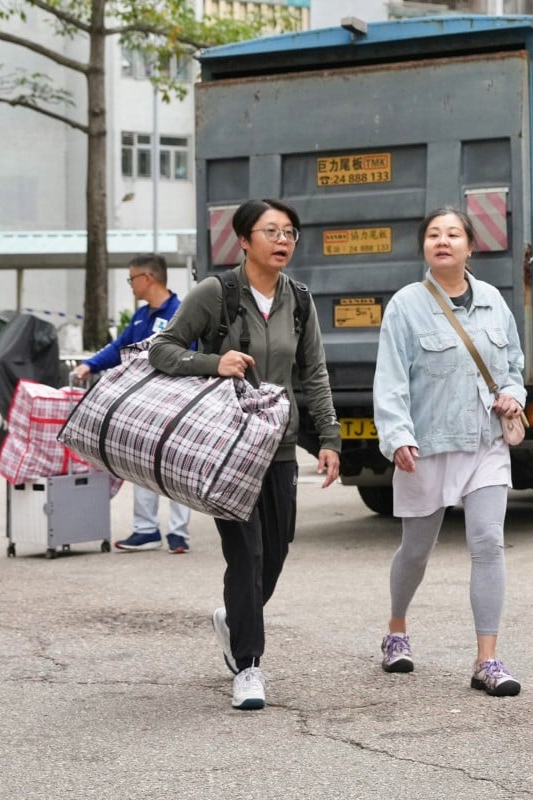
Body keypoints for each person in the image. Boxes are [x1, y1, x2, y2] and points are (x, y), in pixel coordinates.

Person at [147, 198, 341, 710]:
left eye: (290, 232)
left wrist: (329, 438)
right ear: (244, 240)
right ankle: (249, 665)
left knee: (275, 553)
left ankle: (234, 619)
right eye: (271, 231)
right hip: (226, 446)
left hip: (278, 446)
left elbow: (314, 373)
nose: (283, 241)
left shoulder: (299, 300)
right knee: (246, 554)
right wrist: (213, 362)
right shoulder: (216, 293)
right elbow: (162, 349)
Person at [372, 207, 526, 697]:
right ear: (425, 247)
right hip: (428, 445)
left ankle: (487, 660)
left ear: (469, 246)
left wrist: (513, 395)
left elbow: (513, 367)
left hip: (485, 443)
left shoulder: (494, 302)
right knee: (417, 550)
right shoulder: (405, 306)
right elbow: (390, 380)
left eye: (453, 234)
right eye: (434, 235)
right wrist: (398, 436)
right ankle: (396, 629)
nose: (443, 241)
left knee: (488, 543)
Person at [71, 254, 193, 553]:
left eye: (132, 278)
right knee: (140, 464)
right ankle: (146, 530)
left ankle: (178, 533)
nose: (131, 285)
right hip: (142, 406)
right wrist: (90, 365)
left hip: (174, 402)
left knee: (175, 465)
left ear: (148, 278)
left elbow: (189, 355)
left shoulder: (181, 313)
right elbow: (119, 348)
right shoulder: (140, 316)